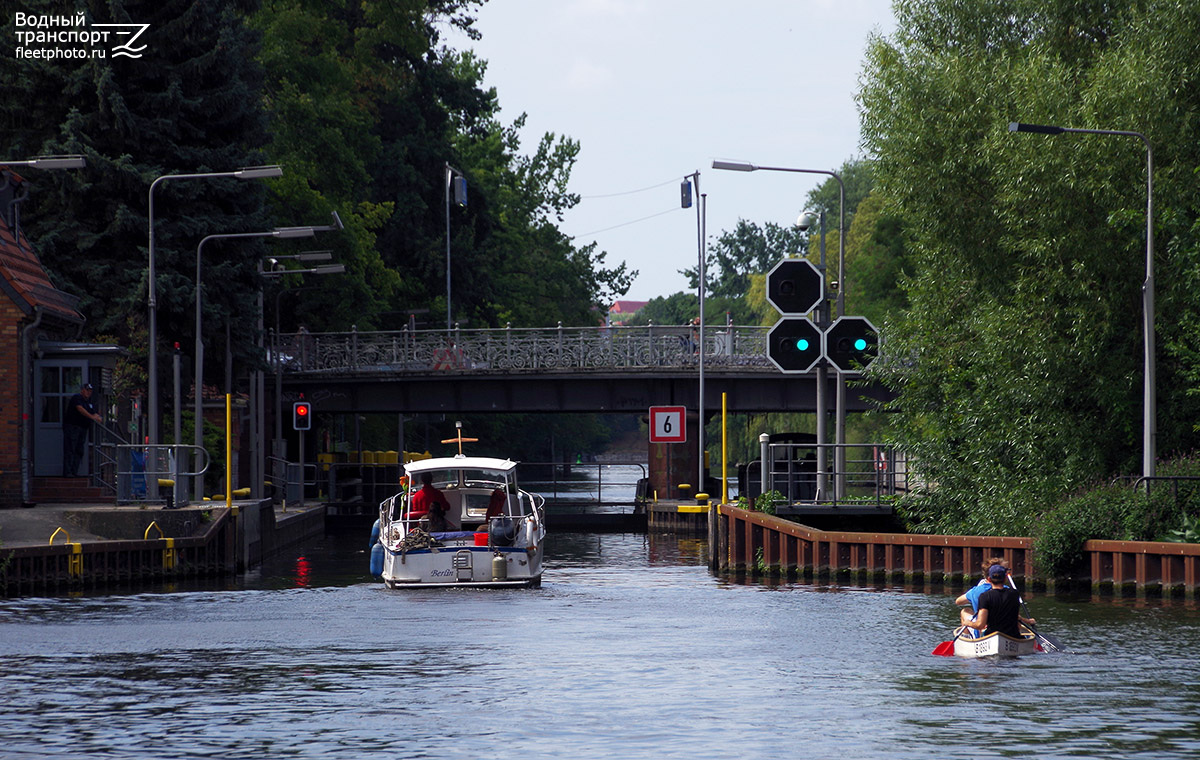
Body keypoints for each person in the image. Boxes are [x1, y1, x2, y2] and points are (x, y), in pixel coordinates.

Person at [965, 564, 1036, 638]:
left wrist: (968, 623)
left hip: (991, 636)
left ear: (989, 579)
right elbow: (1016, 616)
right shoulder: (1014, 593)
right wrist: (1027, 621)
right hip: (1013, 636)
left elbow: (980, 625)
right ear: (1005, 578)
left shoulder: (984, 596)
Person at [955, 556, 1007, 632]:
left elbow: (958, 601)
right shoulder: (1011, 591)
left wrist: (973, 598)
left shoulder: (976, 591)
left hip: (983, 630)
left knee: (965, 611)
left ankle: (967, 637)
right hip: (1005, 630)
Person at [62, 382, 102, 476]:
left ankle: (74, 471)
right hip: (73, 427)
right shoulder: (77, 398)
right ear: (82, 390)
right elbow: (80, 409)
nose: (88, 393)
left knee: (79, 450)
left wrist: (99, 418)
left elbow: (93, 413)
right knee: (70, 449)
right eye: (87, 390)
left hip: (82, 429)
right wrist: (92, 417)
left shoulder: (88, 402)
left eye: (90, 391)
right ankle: (67, 472)